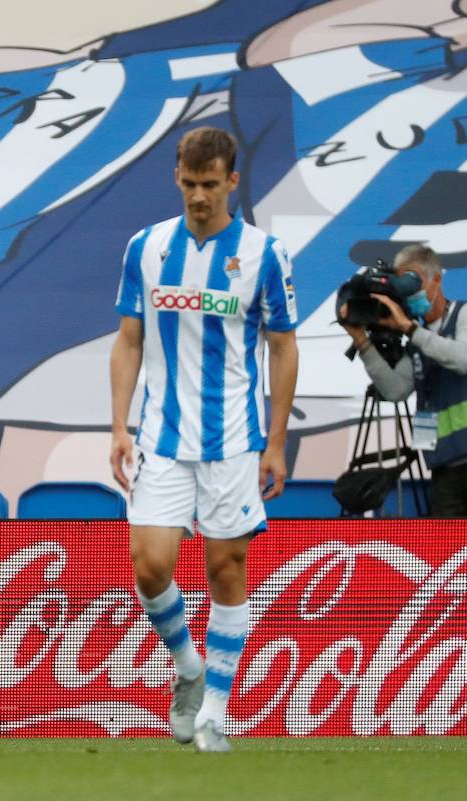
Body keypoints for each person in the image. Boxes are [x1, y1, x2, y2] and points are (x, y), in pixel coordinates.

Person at [108, 126, 299, 753]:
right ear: (177, 178)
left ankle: (215, 707)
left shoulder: (265, 253)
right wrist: (118, 426)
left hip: (235, 440)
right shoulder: (146, 247)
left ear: (233, 182)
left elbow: (282, 347)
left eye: (210, 185)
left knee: (226, 566)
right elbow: (130, 339)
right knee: (151, 565)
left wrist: (276, 441)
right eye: (189, 184)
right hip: (160, 436)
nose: (198, 196)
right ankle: (188, 666)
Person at [341, 244, 467, 517]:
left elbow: (462, 358)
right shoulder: (419, 338)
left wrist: (409, 328)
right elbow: (395, 390)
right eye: (401, 282)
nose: (408, 291)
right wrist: (362, 342)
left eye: (413, 280)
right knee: (447, 557)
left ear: (437, 279)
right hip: (444, 465)